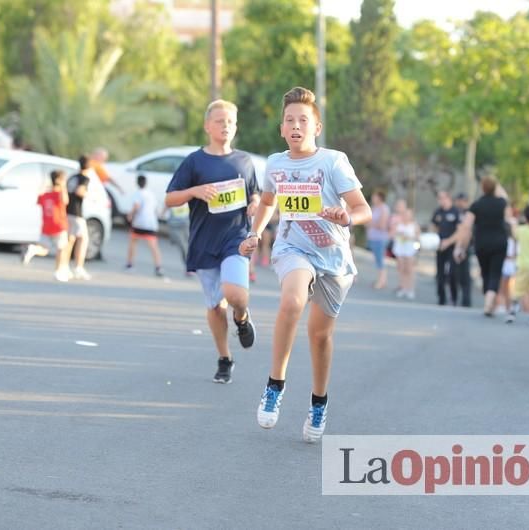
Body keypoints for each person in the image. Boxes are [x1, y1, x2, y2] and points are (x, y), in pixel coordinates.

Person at [239, 86, 371, 443]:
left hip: (334, 259)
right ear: (282, 129)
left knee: (319, 336)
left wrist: (346, 217)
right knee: (292, 300)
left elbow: (363, 209)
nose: (295, 126)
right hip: (293, 248)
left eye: (303, 120)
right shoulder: (276, 163)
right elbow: (268, 201)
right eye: (289, 121)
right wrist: (255, 232)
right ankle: (275, 385)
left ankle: (318, 401)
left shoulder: (333, 161)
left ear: (317, 127)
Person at [165, 99, 259, 385]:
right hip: (204, 242)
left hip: (236, 238)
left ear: (236, 127)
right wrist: (195, 191)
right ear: (207, 126)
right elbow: (170, 198)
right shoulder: (195, 161)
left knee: (235, 294)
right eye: (219, 121)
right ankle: (225, 357)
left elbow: (256, 192)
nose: (225, 126)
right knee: (215, 306)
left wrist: (254, 202)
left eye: (230, 121)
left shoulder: (244, 161)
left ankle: (242, 318)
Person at [452, 176, 509, 316]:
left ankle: (487, 301)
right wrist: (496, 186)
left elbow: (466, 227)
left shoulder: (476, 205)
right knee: (495, 273)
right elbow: (504, 196)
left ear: (482, 188)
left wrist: (460, 246)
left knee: (485, 272)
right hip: (499, 243)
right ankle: (490, 302)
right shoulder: (501, 203)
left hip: (482, 243)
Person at [22, 170, 72, 282]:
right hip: (59, 226)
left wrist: (44, 187)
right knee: (62, 249)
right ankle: (58, 271)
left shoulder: (46, 194)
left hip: (46, 225)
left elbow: (38, 201)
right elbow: (65, 201)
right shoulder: (58, 194)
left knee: (44, 249)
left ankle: (33, 249)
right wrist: (63, 187)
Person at [126, 175, 164, 277]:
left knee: (133, 243)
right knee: (154, 246)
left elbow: (136, 206)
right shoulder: (151, 194)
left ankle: (130, 264)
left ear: (137, 183)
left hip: (139, 223)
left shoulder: (137, 193)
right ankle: (158, 267)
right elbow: (156, 209)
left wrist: (130, 216)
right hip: (151, 223)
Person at [432, 190, 462, 305]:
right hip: (440, 247)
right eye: (439, 198)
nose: (441, 200)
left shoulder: (455, 212)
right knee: (440, 274)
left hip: (452, 246)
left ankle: (454, 297)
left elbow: (460, 231)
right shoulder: (438, 212)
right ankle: (441, 298)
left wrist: (448, 241)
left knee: (452, 273)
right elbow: (434, 226)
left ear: (448, 198)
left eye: (443, 198)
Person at [66, 156, 92, 281]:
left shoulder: (72, 177)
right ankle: (78, 267)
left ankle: (65, 265)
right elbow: (80, 191)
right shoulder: (84, 179)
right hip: (76, 212)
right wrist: (89, 195)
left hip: (67, 210)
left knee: (70, 239)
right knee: (83, 239)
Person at [391, 207, 420, 300]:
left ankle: (410, 289)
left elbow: (418, 238)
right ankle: (402, 287)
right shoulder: (398, 224)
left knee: (409, 269)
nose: (406, 216)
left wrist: (409, 237)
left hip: (410, 249)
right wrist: (398, 234)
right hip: (400, 249)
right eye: (405, 214)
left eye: (408, 215)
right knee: (401, 268)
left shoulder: (414, 225)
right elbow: (392, 234)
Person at [367, 189, 390, 290]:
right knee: (377, 260)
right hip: (373, 237)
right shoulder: (374, 208)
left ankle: (382, 281)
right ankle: (380, 279)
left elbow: (382, 225)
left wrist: (370, 224)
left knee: (380, 260)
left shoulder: (384, 209)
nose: (373, 198)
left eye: (375, 196)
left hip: (380, 238)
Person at [453, 192, 472, 307]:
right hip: (458, 245)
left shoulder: (468, 213)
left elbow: (467, 232)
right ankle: (457, 299)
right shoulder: (457, 212)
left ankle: (466, 301)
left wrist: (462, 248)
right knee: (456, 275)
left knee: (465, 275)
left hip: (464, 247)